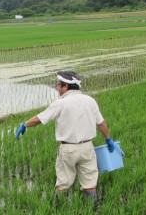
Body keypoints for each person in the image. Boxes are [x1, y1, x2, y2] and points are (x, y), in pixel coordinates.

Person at [15, 70, 116, 208]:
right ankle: (92, 212)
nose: (57, 88)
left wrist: (24, 125)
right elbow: (101, 124)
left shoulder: (61, 103)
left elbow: (40, 118)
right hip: (88, 148)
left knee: (63, 183)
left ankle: (57, 211)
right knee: (89, 183)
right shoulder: (90, 101)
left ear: (65, 87)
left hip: (68, 149)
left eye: (58, 85)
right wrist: (108, 139)